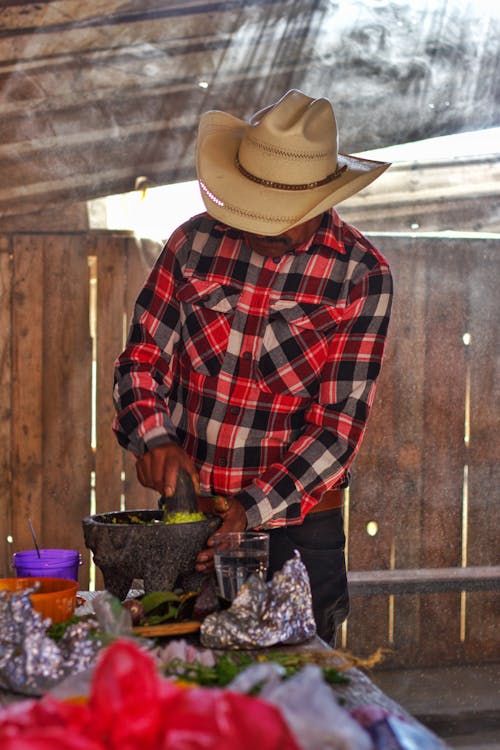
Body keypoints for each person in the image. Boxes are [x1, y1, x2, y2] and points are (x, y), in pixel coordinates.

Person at [112, 89, 393, 645]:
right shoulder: (193, 243)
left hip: (297, 532)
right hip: (189, 523)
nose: (262, 229)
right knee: (190, 684)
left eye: (280, 218)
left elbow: (337, 430)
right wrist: (152, 435)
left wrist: (249, 508)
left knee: (294, 701)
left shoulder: (361, 277)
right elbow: (142, 357)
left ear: (320, 201)